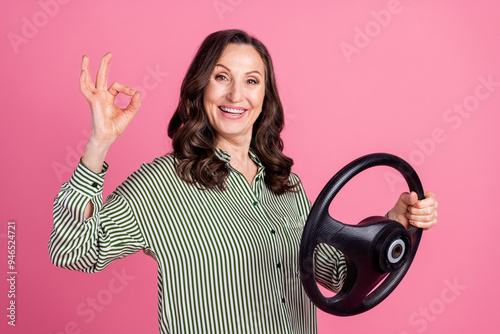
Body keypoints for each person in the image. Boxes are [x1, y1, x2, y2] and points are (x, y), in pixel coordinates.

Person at [49, 29, 438, 334]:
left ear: (265, 95)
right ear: (200, 88)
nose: (236, 94)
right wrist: (99, 144)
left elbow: (335, 275)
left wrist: (389, 226)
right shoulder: (162, 182)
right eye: (222, 77)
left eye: (251, 80)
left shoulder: (286, 185)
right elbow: (73, 251)